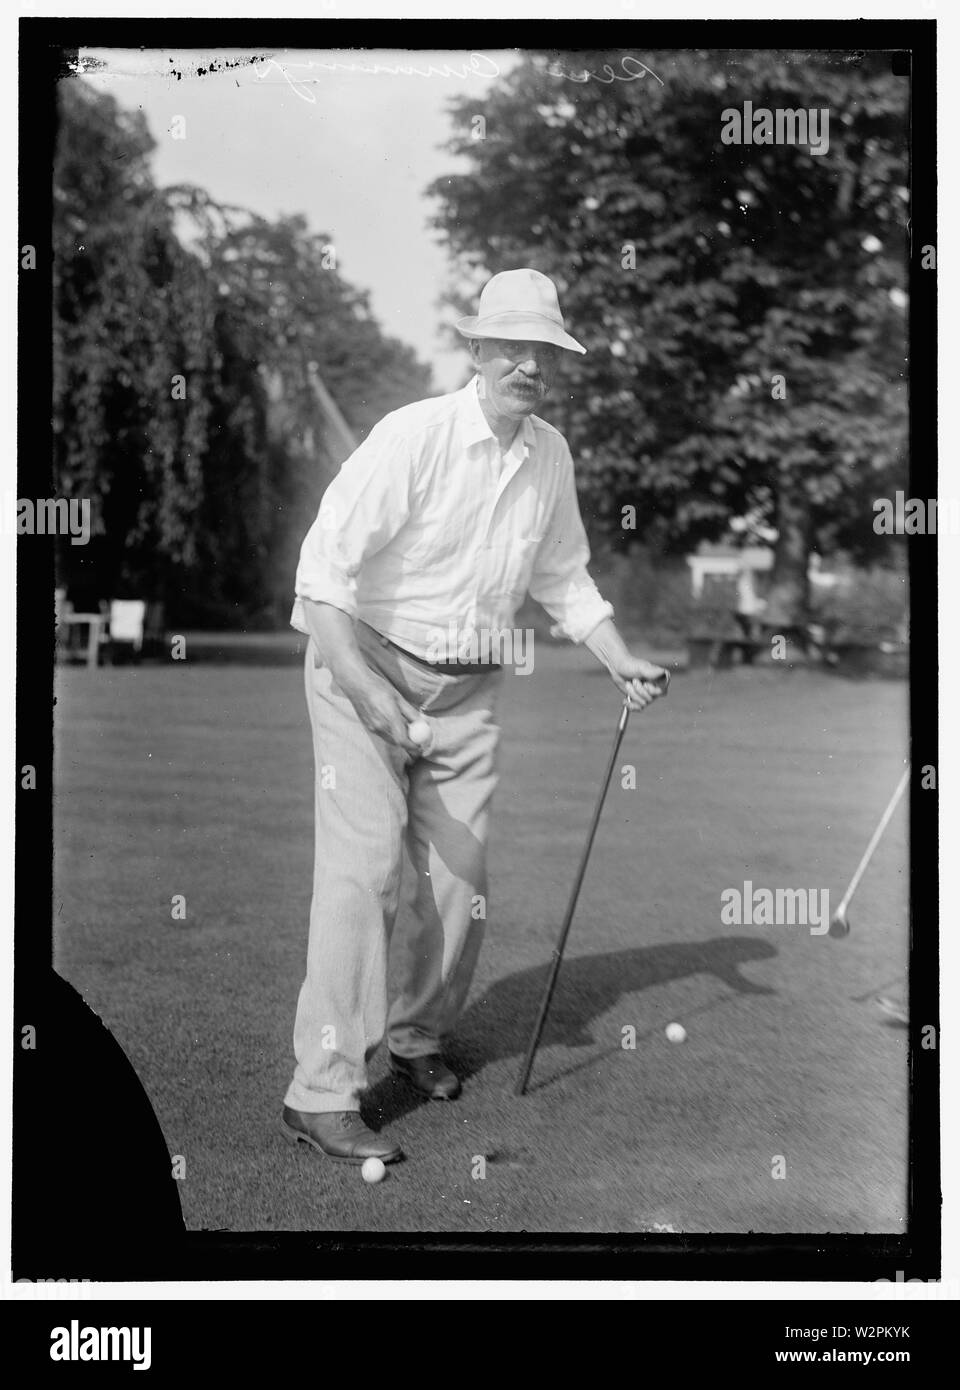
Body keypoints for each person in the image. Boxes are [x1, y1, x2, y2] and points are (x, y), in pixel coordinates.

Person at [281, 268, 669, 1165]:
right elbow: (322, 579)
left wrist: (621, 658)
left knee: (461, 881)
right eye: (512, 347)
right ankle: (322, 1090)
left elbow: (564, 579)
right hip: (361, 665)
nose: (527, 366)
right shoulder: (410, 437)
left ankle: (415, 1037)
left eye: (545, 351)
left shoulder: (551, 456)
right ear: (478, 350)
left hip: (469, 687)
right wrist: (372, 695)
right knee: (367, 873)